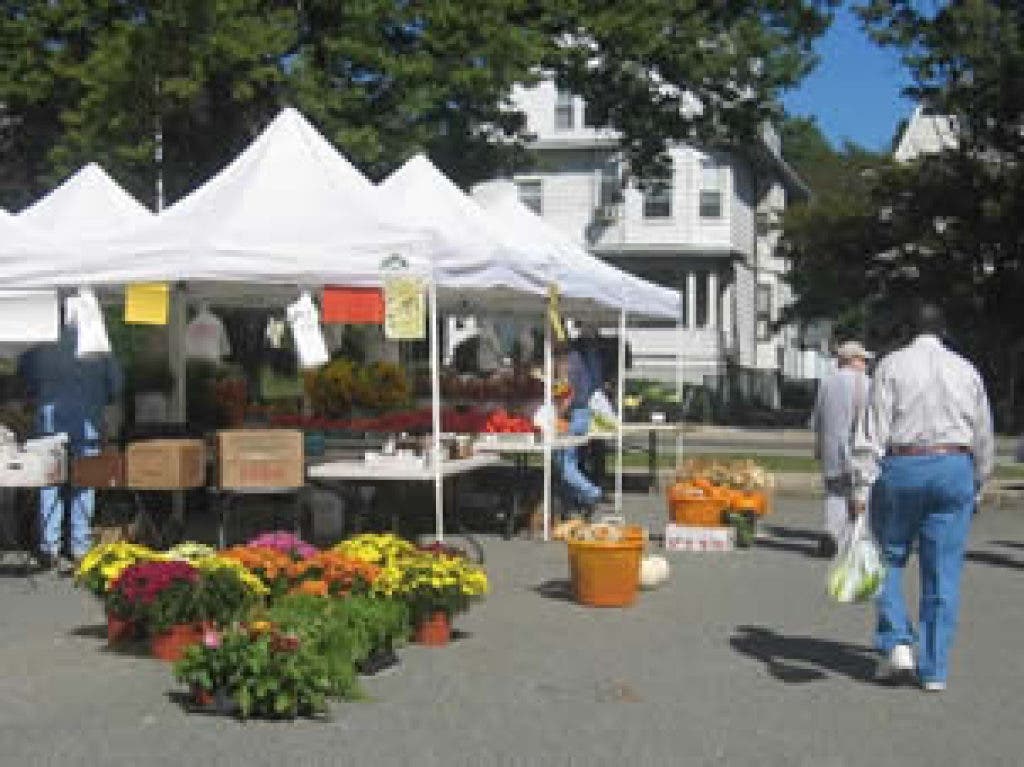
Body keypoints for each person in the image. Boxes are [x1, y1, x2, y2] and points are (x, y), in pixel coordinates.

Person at [850, 303, 994, 692]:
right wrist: (979, 481)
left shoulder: (892, 366)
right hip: (955, 465)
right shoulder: (967, 370)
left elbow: (872, 431)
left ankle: (896, 640)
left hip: (904, 465)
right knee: (942, 570)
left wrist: (861, 487)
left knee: (887, 555)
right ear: (943, 331)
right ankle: (934, 668)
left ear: (908, 331)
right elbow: (983, 434)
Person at [18, 326, 123, 569]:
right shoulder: (98, 342)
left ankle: (49, 547)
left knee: (49, 482)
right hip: (87, 421)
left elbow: (25, 377)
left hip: (49, 421)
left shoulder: (41, 339)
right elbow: (115, 385)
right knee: (84, 483)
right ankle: (80, 547)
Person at [809, 340, 872, 557]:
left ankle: (831, 533)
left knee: (834, 493)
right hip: (859, 448)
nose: (865, 363)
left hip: (831, 448)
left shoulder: (827, 382)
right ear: (853, 360)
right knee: (861, 493)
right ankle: (855, 540)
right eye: (863, 359)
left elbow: (816, 419)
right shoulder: (866, 383)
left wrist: (818, 446)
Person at [555, 327, 603, 514]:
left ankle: (592, 493)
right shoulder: (576, 358)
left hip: (573, 416)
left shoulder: (568, 362)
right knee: (568, 462)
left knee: (565, 465)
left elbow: (567, 394)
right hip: (581, 414)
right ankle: (574, 502)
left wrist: (557, 413)